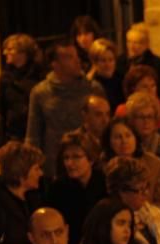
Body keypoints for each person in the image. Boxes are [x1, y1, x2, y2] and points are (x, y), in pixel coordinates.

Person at [26, 40, 104, 178]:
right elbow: (33, 136)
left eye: (76, 56)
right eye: (69, 57)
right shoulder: (40, 93)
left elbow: (103, 126)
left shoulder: (93, 89)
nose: (77, 61)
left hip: (89, 163)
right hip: (54, 166)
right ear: (54, 64)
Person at [45, 130, 107, 244]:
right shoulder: (58, 188)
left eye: (76, 157)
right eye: (66, 158)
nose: (69, 163)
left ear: (91, 159)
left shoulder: (104, 183)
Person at [102, 117, 160, 213]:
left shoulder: (155, 164)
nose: (124, 141)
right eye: (118, 137)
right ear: (109, 142)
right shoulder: (103, 166)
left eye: (128, 135)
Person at [0, 34, 46, 146]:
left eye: (10, 49)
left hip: (36, 135)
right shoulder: (5, 78)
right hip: (13, 137)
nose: (4, 53)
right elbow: (0, 110)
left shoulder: (39, 75)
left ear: (23, 52)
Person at [118, 23, 160, 101]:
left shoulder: (159, 64)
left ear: (146, 44)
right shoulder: (119, 61)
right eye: (129, 42)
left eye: (136, 43)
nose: (131, 46)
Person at [86, 38, 124, 110]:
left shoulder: (122, 79)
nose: (108, 65)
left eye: (111, 60)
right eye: (103, 61)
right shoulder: (91, 85)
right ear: (95, 63)